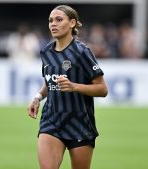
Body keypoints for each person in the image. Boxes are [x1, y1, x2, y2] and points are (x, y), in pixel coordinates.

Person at [27, 5, 108, 169]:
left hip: (79, 124)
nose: (53, 24)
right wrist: (38, 97)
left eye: (59, 19)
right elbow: (49, 81)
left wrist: (74, 87)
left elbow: (102, 89)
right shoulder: (46, 52)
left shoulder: (82, 52)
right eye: (50, 20)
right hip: (51, 121)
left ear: (72, 23)